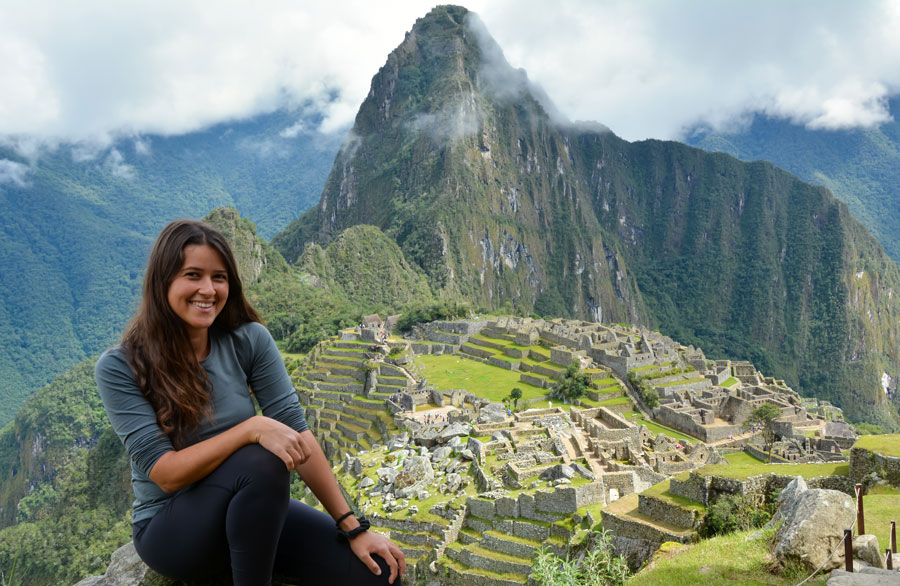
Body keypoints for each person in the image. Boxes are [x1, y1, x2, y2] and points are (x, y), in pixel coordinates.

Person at [95, 220, 404, 586]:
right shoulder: (121, 365)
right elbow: (165, 473)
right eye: (193, 275)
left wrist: (353, 527)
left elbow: (297, 431)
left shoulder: (248, 340)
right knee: (262, 458)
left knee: (380, 575)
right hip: (174, 529)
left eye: (219, 277)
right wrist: (252, 428)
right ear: (163, 281)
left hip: (253, 512)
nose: (207, 290)